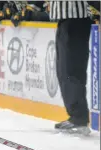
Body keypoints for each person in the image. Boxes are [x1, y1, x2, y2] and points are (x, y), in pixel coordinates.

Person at [49, 1, 100, 135]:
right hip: (66, 18)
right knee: (64, 69)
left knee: (71, 68)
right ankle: (76, 116)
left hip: (76, 18)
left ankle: (79, 118)